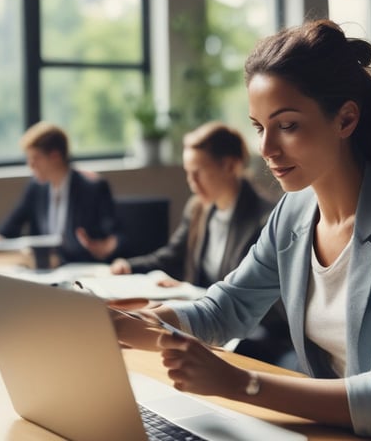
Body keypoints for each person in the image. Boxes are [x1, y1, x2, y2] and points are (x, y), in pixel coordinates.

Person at [113, 19, 371, 439]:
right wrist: (121, 325)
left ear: (346, 119)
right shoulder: (294, 211)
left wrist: (239, 384)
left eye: (288, 125)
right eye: (260, 127)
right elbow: (225, 309)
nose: (267, 149)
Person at [109, 121, 292, 366]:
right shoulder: (198, 209)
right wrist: (127, 266)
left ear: (229, 166)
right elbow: (171, 256)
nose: (191, 181)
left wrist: (193, 294)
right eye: (187, 172)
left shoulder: (267, 219)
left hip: (251, 336)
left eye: (198, 171)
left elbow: (255, 298)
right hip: (205, 323)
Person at [0, 121, 120, 264]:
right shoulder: (36, 188)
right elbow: (10, 228)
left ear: (55, 156)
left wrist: (105, 247)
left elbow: (117, 236)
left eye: (35, 158)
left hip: (82, 268)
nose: (30, 165)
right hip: (46, 268)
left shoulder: (92, 188)